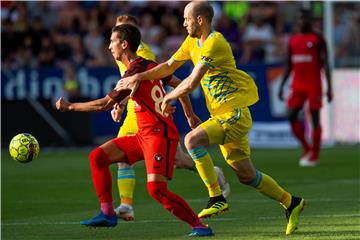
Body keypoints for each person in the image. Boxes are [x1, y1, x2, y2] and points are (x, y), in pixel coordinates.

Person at [116, 1, 305, 235]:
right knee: (246, 175)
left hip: (233, 112)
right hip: (222, 114)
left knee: (191, 141)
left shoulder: (215, 42)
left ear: (200, 20)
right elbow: (167, 67)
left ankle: (215, 196)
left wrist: (169, 97)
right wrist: (140, 77)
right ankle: (291, 202)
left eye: (186, 19)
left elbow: (192, 82)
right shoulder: (192, 42)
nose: (183, 23)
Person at [55, 24, 213, 237]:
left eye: (112, 41)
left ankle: (200, 226)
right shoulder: (148, 65)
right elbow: (178, 85)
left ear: (124, 44)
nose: (110, 46)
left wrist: (70, 106)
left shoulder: (137, 69)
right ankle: (107, 213)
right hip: (142, 136)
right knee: (97, 157)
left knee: (156, 189)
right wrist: (189, 114)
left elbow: (104, 104)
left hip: (159, 135)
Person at [111, 15, 230, 221]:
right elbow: (126, 83)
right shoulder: (120, 54)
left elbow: (161, 79)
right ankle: (126, 206)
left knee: (179, 161)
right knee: (122, 159)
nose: (116, 40)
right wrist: (120, 104)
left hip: (151, 116)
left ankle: (215, 174)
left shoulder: (144, 53)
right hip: (134, 113)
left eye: (123, 31)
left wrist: (186, 111)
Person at [278, 9, 333, 167]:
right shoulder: (293, 40)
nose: (301, 22)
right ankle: (307, 147)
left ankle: (315, 155)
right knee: (291, 115)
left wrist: (329, 88)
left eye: (304, 19)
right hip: (297, 84)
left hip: (314, 83)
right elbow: (288, 65)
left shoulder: (317, 39)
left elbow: (326, 64)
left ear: (309, 21)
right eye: (299, 20)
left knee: (314, 117)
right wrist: (282, 86)